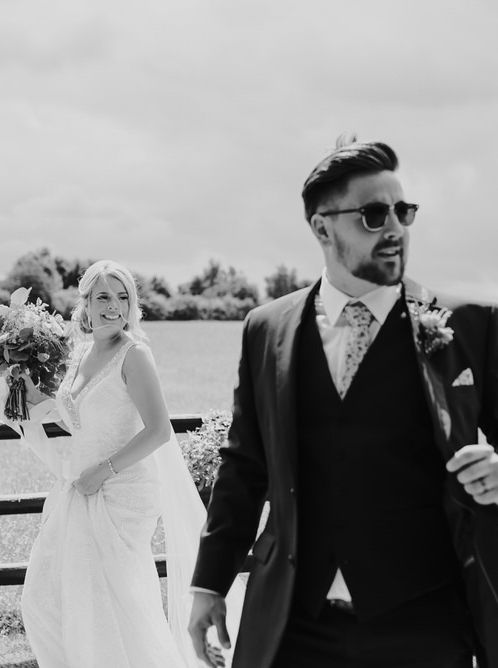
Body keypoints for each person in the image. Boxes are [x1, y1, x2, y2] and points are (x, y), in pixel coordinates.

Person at [188, 137, 498, 668]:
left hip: (424, 622)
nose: (396, 228)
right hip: (295, 624)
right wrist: (208, 584)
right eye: (374, 214)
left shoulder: (470, 324)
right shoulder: (266, 329)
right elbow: (244, 465)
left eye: (404, 211)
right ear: (322, 227)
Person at [14, 260, 243, 668]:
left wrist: (103, 471)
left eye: (123, 297)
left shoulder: (134, 354)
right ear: (85, 303)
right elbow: (81, 418)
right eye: (103, 297)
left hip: (122, 491)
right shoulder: (83, 352)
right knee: (44, 599)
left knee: (111, 607)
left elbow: (158, 430)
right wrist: (28, 394)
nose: (114, 306)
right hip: (79, 486)